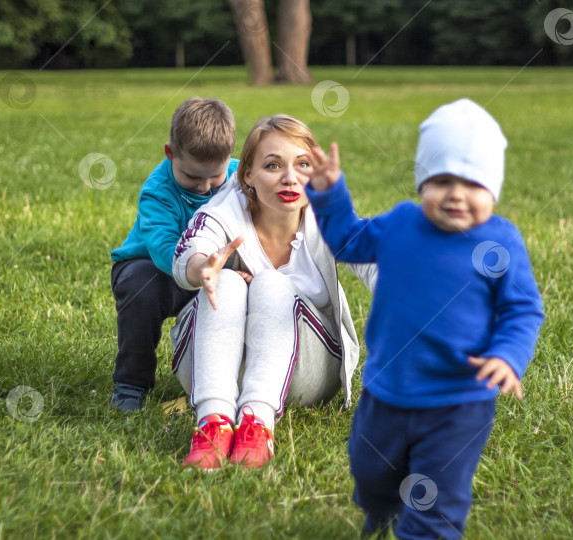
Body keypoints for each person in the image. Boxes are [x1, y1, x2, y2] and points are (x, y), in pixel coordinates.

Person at [303, 99, 545, 538]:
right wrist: (329, 194)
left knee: (435, 499)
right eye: (442, 180)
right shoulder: (400, 224)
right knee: (372, 471)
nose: (456, 193)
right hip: (386, 388)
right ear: (421, 183)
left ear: (494, 188)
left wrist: (509, 355)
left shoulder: (499, 241)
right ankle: (381, 508)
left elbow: (522, 308)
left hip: (459, 401)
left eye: (472, 183)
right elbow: (347, 241)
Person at [170, 114, 376, 470]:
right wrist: (203, 266)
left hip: (304, 371)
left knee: (270, 283)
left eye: (303, 164)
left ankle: (257, 423)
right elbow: (193, 248)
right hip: (212, 367)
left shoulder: (329, 217)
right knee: (229, 280)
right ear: (247, 175)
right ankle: (213, 423)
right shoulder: (224, 208)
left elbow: (376, 264)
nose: (290, 177)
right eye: (272, 165)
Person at [109, 97, 239, 412]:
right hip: (155, 269)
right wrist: (197, 267)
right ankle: (131, 383)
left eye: (215, 177)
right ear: (170, 153)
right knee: (141, 288)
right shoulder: (158, 192)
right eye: (193, 177)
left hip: (215, 270)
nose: (204, 187)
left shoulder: (240, 178)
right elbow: (164, 247)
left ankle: (229, 379)